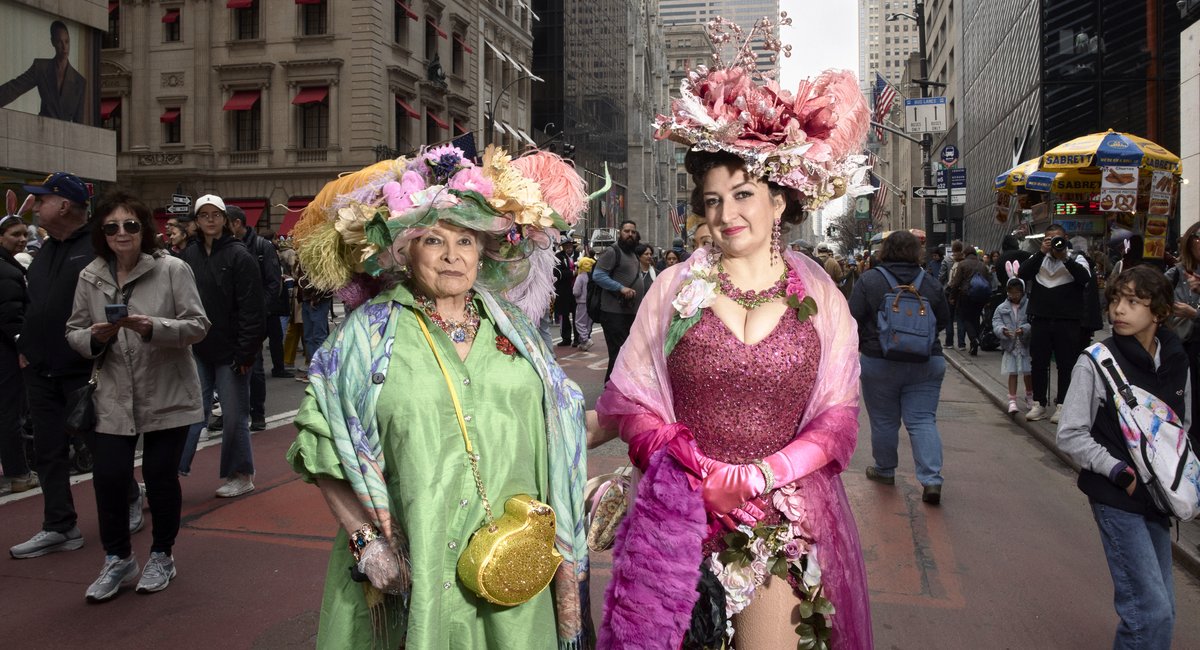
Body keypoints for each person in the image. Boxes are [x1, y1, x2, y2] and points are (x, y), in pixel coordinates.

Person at [593, 41, 872, 647]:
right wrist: (692, 467)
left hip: (778, 520)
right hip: (676, 514)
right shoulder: (672, 289)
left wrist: (759, 477)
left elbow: (837, 421)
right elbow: (628, 405)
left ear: (779, 201)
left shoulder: (823, 297)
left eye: (743, 195)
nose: (726, 214)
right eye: (713, 201)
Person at [285, 144, 591, 648]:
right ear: (405, 252)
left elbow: (558, 427)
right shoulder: (366, 336)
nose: (453, 255)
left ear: (483, 252)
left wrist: (636, 424)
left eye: (467, 240)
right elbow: (320, 445)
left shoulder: (517, 330)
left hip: (512, 569)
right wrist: (366, 545)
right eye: (434, 240)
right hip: (410, 570)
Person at [65, 191, 209, 601]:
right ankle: (118, 558)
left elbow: (198, 325)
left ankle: (162, 554)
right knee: (109, 477)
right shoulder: (90, 275)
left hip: (167, 390)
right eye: (112, 226)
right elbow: (72, 330)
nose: (121, 233)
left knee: (161, 478)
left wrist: (153, 327)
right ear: (102, 233)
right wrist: (91, 337)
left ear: (144, 229)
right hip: (112, 393)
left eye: (130, 225)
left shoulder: (172, 269)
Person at [10, 172, 142, 559]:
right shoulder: (46, 250)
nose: (34, 206)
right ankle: (59, 525)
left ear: (63, 205)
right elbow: (34, 305)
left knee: (102, 447)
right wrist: (26, 345)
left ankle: (130, 497)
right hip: (39, 367)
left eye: (41, 199)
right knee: (49, 452)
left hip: (85, 369)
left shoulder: (99, 246)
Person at [1056, 266, 1184, 648]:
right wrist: (1116, 470)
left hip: (1159, 499)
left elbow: (1184, 427)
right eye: (1115, 300)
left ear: (1159, 312)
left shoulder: (1176, 359)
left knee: (1165, 611)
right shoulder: (1096, 360)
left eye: (1132, 302)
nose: (1119, 310)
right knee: (1148, 613)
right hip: (1118, 496)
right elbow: (1070, 433)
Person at [849, 231, 951, 504]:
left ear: (885, 250)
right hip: (926, 361)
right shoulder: (929, 282)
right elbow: (942, 320)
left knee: (884, 420)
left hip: (879, 360)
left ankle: (884, 469)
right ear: (916, 252)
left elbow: (852, 317)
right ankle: (931, 480)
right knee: (922, 420)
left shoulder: (870, 280)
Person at [176, 194, 264, 497]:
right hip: (199, 346)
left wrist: (245, 352)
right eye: (204, 215)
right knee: (191, 412)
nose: (210, 220)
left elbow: (252, 309)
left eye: (216, 214)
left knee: (234, 415)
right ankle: (171, 472)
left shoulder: (240, 256)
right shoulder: (190, 255)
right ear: (197, 221)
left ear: (225, 220)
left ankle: (241, 473)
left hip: (232, 351)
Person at [1018, 223, 1091, 422]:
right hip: (1041, 318)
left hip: (1067, 320)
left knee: (1066, 363)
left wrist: (1064, 257)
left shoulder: (1076, 258)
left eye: (1058, 238)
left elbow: (1085, 279)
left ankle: (1062, 404)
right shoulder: (1038, 258)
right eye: (1049, 239)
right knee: (1038, 363)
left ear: (1066, 238)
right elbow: (1022, 274)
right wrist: (1042, 252)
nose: (1054, 243)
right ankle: (1039, 403)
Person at [228, 206, 284, 430]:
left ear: (237, 223)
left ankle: (257, 412)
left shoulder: (262, 246)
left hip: (254, 315)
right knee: (228, 365)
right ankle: (230, 411)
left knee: (255, 365)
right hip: (229, 316)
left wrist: (260, 310)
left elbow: (273, 281)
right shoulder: (224, 246)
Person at [0, 196, 36, 495]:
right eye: (15, 235)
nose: (22, 240)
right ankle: (18, 473)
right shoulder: (7, 271)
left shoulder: (10, 266)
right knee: (9, 413)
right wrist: (22, 347)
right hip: (7, 354)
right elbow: (11, 317)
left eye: (25, 234)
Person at [0, 21, 87, 123]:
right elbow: (14, 88)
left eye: (67, 41)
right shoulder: (41, 68)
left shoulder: (80, 82)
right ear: (53, 42)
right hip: (42, 132)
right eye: (59, 42)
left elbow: (79, 123)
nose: (64, 47)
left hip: (65, 136)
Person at [1165, 221, 1200, 445]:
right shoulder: (1177, 272)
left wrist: (1194, 314)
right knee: (1186, 400)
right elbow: (1153, 292)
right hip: (1183, 346)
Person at [593, 220, 640, 382]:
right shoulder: (613, 252)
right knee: (619, 354)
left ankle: (618, 390)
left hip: (629, 313)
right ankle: (610, 389)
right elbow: (598, 275)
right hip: (613, 313)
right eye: (626, 231)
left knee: (626, 353)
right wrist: (621, 288)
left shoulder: (632, 253)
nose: (630, 235)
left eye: (633, 232)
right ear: (620, 233)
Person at [993, 277, 1033, 414]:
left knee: (1028, 372)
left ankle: (1030, 396)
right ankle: (1012, 400)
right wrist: (1002, 330)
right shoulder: (1002, 308)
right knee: (1013, 372)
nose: (1014, 296)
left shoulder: (1029, 305)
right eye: (1011, 293)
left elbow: (1033, 322)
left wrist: (1024, 329)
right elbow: (996, 322)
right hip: (1010, 345)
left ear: (1022, 292)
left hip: (1025, 344)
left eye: (1017, 293)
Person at [947, 247, 989, 355]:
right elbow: (987, 281)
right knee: (975, 318)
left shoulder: (962, 264)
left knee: (965, 318)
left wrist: (952, 297)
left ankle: (974, 339)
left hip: (966, 295)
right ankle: (974, 344)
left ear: (965, 254)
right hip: (980, 296)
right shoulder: (983, 265)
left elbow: (956, 283)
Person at [553, 236, 578, 347]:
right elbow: (557, 273)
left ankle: (578, 339)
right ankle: (566, 338)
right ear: (563, 247)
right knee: (564, 315)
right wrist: (572, 273)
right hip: (564, 292)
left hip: (577, 291)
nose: (568, 247)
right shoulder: (558, 257)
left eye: (569, 245)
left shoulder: (579, 255)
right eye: (566, 246)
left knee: (578, 316)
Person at [572, 256, 595, 352]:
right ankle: (583, 342)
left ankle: (585, 339)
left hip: (581, 302)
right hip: (591, 302)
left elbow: (576, 291)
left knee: (579, 322)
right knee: (588, 322)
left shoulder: (580, 277)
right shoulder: (592, 277)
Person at [632, 242, 657, 312]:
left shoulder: (657, 274)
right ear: (639, 256)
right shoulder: (632, 272)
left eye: (650, 254)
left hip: (650, 309)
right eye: (646, 254)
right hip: (634, 310)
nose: (649, 256)